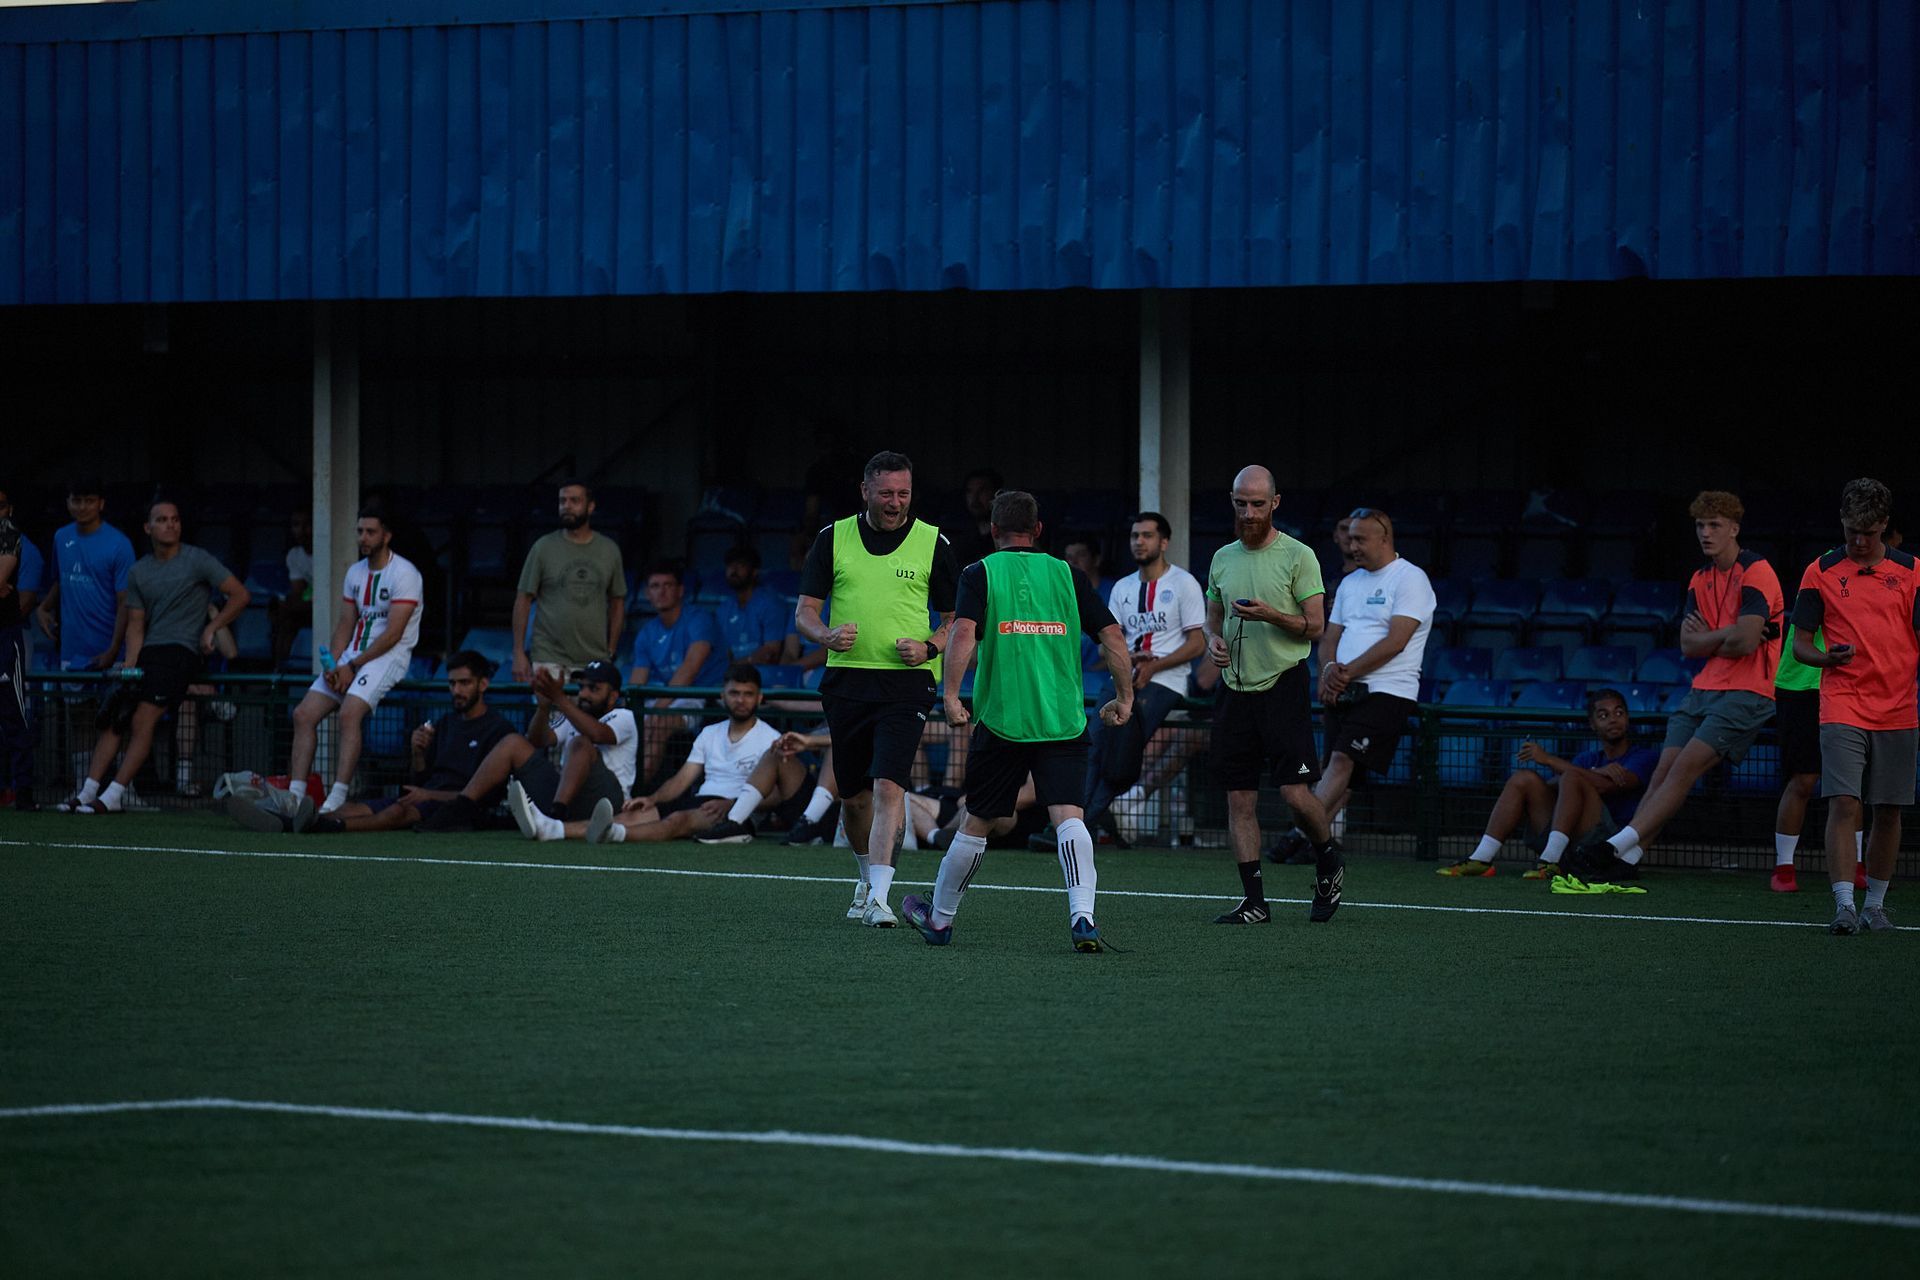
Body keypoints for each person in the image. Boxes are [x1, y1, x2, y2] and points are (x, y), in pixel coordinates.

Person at [901, 489, 1131, 952]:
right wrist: (1125, 696)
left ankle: (940, 920)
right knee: (1069, 818)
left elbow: (963, 633)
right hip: (1062, 719)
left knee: (977, 821)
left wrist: (951, 696)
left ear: (993, 530)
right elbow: (1111, 635)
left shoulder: (980, 572)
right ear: (1038, 530)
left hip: (1003, 719)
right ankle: (1083, 917)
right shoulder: (1068, 574)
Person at [1568, 491, 1783, 881]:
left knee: (1682, 768)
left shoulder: (1756, 570)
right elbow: (1688, 646)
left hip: (1748, 690)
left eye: (1715, 525)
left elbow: (1746, 642)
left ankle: (1612, 847)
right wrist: (1728, 633)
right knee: (1664, 770)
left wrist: (1714, 637)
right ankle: (1628, 860)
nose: (1706, 533)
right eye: (1700, 525)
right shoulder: (1700, 578)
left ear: (1734, 529)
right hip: (1704, 687)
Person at [794, 449, 958, 927]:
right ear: (865, 490)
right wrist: (826, 636)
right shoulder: (832, 537)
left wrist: (929, 647)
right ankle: (865, 879)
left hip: (908, 684)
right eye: (886, 493)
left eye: (903, 493)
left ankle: (881, 898)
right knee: (853, 796)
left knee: (889, 784)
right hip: (846, 681)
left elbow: (956, 621)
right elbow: (804, 612)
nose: (895, 502)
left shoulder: (934, 542)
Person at [1202, 464, 1340, 924]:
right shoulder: (1222, 557)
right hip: (1234, 688)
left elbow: (1315, 626)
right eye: (1241, 503)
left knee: (1295, 794)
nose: (1249, 513)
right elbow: (1211, 618)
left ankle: (1328, 856)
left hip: (1283, 684)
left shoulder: (1299, 555)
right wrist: (1212, 641)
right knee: (1238, 799)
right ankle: (1255, 901)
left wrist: (1271, 615)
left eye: (1258, 504)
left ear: (1275, 503)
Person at [60, 497, 249, 814]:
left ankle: (114, 795)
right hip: (150, 652)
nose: (170, 524)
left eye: (175, 519)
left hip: (181, 652)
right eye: (162, 520)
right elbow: (135, 624)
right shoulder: (139, 571)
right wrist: (129, 663)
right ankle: (87, 792)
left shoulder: (198, 559)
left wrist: (211, 627)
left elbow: (241, 594)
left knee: (142, 718)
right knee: (116, 715)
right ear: (148, 528)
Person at [1269, 507, 1434, 862]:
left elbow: (1397, 641)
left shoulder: (1411, 578)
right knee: (1340, 768)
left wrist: (1344, 673)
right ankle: (1317, 845)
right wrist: (1328, 670)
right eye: (1349, 537)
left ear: (1384, 538)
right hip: (1345, 689)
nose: (1352, 545)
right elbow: (1329, 637)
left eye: (1360, 539)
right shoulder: (1350, 582)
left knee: (1342, 760)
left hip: (1388, 690)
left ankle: (1297, 833)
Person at [1790, 479, 1917, 935]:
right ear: (1842, 523)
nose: (1859, 541)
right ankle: (1844, 905)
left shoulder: (1912, 572)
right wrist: (1826, 659)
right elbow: (1801, 645)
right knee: (1845, 801)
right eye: (1851, 531)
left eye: (1868, 532)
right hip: (1842, 701)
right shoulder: (1819, 571)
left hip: (1899, 706)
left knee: (1889, 808)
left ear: (1884, 524)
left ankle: (1875, 907)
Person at [231, 650, 515, 833]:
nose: (457, 690)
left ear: (483, 684)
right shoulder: (446, 723)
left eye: (464, 683)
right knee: (355, 807)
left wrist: (429, 795)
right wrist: (418, 753)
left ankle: (325, 828)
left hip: (456, 807)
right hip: (425, 796)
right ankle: (287, 818)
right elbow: (422, 777)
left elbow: (484, 795)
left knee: (398, 811)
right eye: (452, 684)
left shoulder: (498, 729)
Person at [1769, 527, 1898, 893]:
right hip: (1801, 684)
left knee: (1849, 787)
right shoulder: (1826, 569)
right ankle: (1783, 867)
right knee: (1803, 779)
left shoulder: (1894, 574)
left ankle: (1855, 865)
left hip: (1850, 687)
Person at [542, 664, 803, 844]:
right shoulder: (709, 733)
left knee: (677, 820)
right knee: (631, 816)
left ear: (759, 698)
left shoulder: (771, 738)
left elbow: (777, 795)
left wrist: (733, 804)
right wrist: (652, 798)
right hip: (702, 801)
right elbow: (682, 779)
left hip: (738, 815)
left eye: (748, 694)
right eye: (734, 693)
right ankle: (554, 828)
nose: (741, 700)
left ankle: (615, 835)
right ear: (722, 696)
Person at [1072, 511, 1205, 842]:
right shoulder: (1123, 587)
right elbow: (1104, 644)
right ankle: (1074, 824)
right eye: (1135, 536)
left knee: (1122, 751)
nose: (1139, 542)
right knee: (1093, 743)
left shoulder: (1184, 583)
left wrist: (1154, 666)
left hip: (1165, 681)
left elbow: (1197, 643)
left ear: (1164, 542)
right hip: (1123, 678)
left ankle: (1081, 826)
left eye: (1147, 535)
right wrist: (1128, 659)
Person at [284, 503, 425, 814]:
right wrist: (333, 666)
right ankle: (294, 797)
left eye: (370, 532)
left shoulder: (405, 573)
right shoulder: (355, 572)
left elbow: (394, 634)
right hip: (352, 657)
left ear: (386, 536)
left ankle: (337, 798)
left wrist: (352, 666)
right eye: (360, 531)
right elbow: (345, 625)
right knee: (303, 714)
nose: (363, 538)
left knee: (349, 714)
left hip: (388, 657)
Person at [1436, 688, 1659, 878]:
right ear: (1592, 724)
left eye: (1619, 713)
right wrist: (1595, 772)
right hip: (1571, 841)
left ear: (1627, 718)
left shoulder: (1643, 756)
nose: (1613, 719)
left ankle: (1550, 861)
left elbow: (1609, 785)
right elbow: (1559, 786)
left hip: (1608, 844)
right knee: (1524, 778)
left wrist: (1549, 760)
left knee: (1572, 776)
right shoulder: (1588, 759)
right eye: (1603, 715)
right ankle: (1481, 859)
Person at [420, 660, 635, 832]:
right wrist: (544, 708)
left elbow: (597, 734)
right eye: (582, 687)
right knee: (514, 742)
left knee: (581, 743)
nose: (584, 694)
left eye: (593, 689)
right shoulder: (572, 716)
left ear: (613, 696)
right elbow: (536, 741)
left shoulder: (624, 715)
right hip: (567, 798)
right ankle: (461, 808)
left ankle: (554, 818)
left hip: (606, 803)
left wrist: (559, 698)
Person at [511, 479, 627, 707]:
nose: (567, 506)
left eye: (575, 501)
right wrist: (518, 652)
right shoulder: (543, 547)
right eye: (562, 501)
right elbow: (523, 599)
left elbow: (617, 602)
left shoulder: (609, 549)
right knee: (551, 723)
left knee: (586, 723)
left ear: (590, 506)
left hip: (594, 658)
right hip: (548, 656)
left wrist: (611, 651)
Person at [627, 560, 727, 786]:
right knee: (628, 725)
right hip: (667, 696)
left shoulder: (699, 619)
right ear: (647, 593)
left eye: (668, 585)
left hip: (702, 697)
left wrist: (655, 710)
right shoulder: (647, 632)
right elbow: (637, 682)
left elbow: (690, 668)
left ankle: (633, 790)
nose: (661, 591)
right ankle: (620, 788)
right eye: (655, 586)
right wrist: (631, 714)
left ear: (680, 590)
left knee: (657, 723)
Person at [35, 474, 135, 674]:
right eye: (77, 500)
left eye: (89, 501)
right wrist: (43, 607)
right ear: (68, 503)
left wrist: (113, 650)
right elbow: (63, 579)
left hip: (108, 654)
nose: (82, 507)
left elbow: (126, 602)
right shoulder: (61, 537)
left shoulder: (120, 544)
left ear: (101, 504)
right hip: (70, 652)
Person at [0, 488, 42, 809]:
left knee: (13, 714)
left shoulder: (9, 533)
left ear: (9, 508)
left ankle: (23, 791)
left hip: (4, 636)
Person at [715, 545, 790, 663]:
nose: (733, 570)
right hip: (729, 670)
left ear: (755, 571)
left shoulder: (771, 604)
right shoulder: (723, 608)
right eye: (730, 565)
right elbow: (720, 649)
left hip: (761, 671)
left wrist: (738, 664)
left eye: (741, 565)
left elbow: (771, 652)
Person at [271, 506, 314, 668]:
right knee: (281, 615)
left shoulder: (330, 551)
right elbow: (299, 593)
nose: (301, 531)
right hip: (309, 605)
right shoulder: (294, 555)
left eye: (307, 524)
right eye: (296, 525)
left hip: (335, 604)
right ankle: (278, 672)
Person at [944, 467, 1002, 567]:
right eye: (970, 491)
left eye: (982, 491)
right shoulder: (954, 533)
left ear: (995, 493)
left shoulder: (1006, 534)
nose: (974, 498)